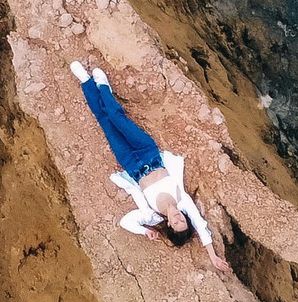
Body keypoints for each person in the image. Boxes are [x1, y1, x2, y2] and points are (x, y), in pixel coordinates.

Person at [73, 60, 230, 273]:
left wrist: (145, 231)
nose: (179, 218)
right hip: (148, 151)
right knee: (117, 118)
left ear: (169, 225)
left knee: (105, 123)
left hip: (130, 163)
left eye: (176, 223)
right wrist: (213, 256)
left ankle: (86, 82)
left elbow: (125, 222)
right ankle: (103, 86)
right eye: (183, 220)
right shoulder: (183, 201)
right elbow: (201, 226)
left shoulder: (152, 215)